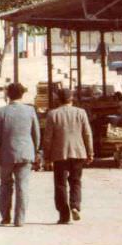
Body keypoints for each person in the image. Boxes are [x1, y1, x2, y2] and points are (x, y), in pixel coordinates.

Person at [44, 88, 94, 224]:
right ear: (71, 98)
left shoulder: (52, 114)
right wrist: (90, 152)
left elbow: (48, 138)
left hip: (59, 154)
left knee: (60, 184)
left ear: (58, 99)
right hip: (78, 152)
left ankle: (63, 215)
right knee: (75, 181)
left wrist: (46, 156)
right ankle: (75, 206)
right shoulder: (81, 113)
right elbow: (87, 134)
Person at [0, 83, 40, 226]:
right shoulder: (30, 111)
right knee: (23, 186)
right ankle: (20, 219)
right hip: (25, 153)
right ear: (22, 94)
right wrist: (35, 150)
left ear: (8, 94)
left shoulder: (1, 112)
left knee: (5, 185)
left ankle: (5, 217)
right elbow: (36, 134)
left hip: (6, 154)